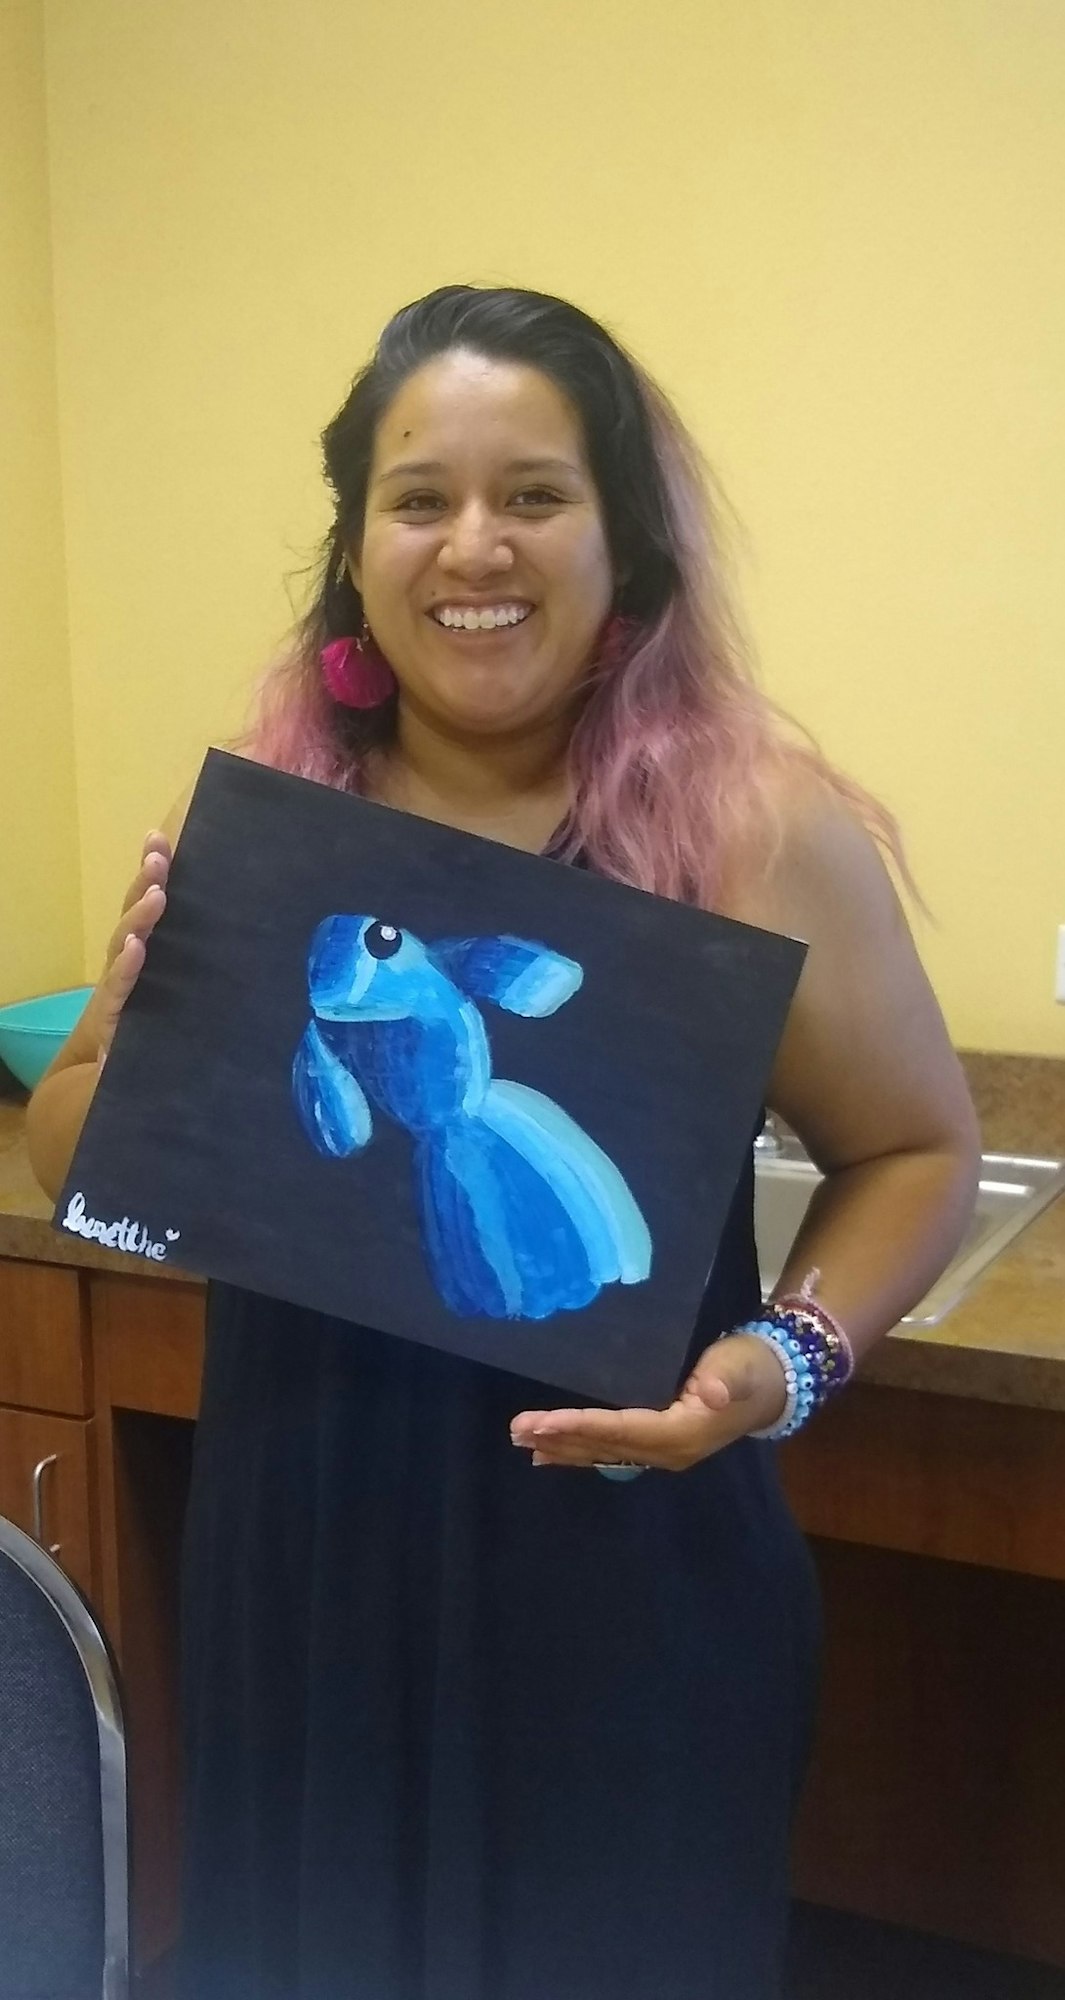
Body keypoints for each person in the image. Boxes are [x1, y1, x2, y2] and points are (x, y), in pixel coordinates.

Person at [27, 285, 981, 2000]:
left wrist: (782, 1363)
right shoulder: (267, 825)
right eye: (420, 499)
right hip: (308, 1544)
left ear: (624, 540)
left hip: (625, 1558)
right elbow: (86, 1163)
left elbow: (914, 1150)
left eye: (535, 494)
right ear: (358, 545)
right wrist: (119, 1023)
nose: (476, 545)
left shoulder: (755, 833)